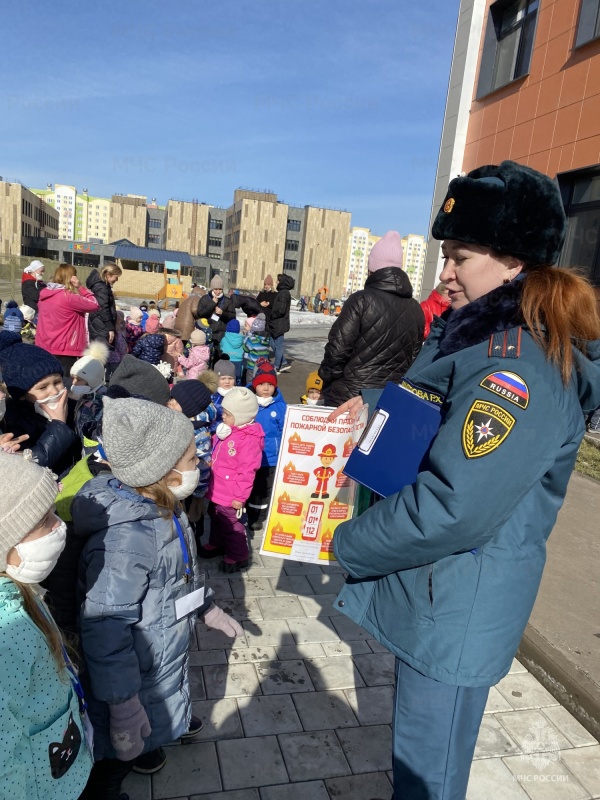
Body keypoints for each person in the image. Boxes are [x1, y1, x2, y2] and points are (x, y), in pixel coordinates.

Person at [330, 161, 600, 800]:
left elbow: (453, 505)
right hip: (442, 589)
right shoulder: (482, 334)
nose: (443, 273)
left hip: (457, 600)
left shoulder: (519, 368)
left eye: (459, 257)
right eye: (444, 255)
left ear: (514, 262)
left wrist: (347, 543)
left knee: (429, 774)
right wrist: (373, 399)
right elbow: (439, 410)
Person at [73, 397, 242, 798]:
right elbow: (105, 629)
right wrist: (122, 704)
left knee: (148, 728)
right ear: (160, 472)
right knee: (114, 759)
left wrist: (205, 605)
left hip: (161, 658)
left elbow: (180, 571)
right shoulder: (126, 539)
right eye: (191, 459)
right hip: (133, 678)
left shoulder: (166, 508)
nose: (200, 464)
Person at [0, 452, 93, 798]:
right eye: (44, 520)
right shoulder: (4, 636)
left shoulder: (20, 588)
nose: (59, 524)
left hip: (58, 764)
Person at [318, 231, 424, 407]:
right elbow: (413, 359)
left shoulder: (361, 300)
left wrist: (328, 381)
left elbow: (337, 349)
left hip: (349, 396)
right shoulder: (415, 308)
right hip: (388, 398)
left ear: (371, 268)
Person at [200, 387, 264, 572]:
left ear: (242, 416)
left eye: (227, 414)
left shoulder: (249, 440)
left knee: (232, 525)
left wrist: (239, 497)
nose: (224, 418)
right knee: (215, 517)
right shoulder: (229, 430)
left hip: (230, 493)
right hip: (217, 487)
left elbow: (247, 472)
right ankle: (217, 543)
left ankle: (238, 555)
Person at [0, 332, 79, 475]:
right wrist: (58, 425)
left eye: (57, 382)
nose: (54, 391)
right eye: (43, 387)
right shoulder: (16, 423)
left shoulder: (74, 408)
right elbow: (32, 467)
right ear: (23, 395)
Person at [168, 380, 217, 543]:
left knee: (192, 517)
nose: (170, 403)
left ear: (190, 407)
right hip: (177, 482)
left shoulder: (198, 432)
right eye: (171, 398)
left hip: (191, 487)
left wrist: (199, 492)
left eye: (176, 401)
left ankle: (195, 542)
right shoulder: (180, 422)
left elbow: (203, 464)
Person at [35, 264, 100, 375]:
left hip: (44, 346)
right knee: (64, 383)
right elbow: (94, 304)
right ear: (71, 278)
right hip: (65, 349)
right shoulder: (68, 297)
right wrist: (80, 287)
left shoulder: (44, 295)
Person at [247, 360, 286, 533]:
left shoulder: (279, 406)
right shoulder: (248, 402)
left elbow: (285, 428)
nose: (265, 388)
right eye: (261, 384)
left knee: (264, 489)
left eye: (270, 384)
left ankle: (259, 517)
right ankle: (247, 513)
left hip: (270, 457)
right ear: (255, 385)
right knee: (249, 486)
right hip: (249, 455)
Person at [69, 340, 109, 448]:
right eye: (73, 378)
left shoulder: (98, 405)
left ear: (93, 381)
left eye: (79, 380)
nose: (74, 383)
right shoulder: (84, 397)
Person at [194, 275, 236, 354]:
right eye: (216, 289)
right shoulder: (205, 299)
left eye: (220, 289)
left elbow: (233, 316)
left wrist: (222, 313)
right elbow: (200, 314)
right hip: (206, 332)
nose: (218, 291)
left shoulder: (227, 301)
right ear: (212, 288)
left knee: (218, 356)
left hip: (221, 334)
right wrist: (212, 304)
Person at [86, 262, 122, 347]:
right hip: (101, 327)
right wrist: (110, 328)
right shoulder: (102, 288)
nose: (117, 280)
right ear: (108, 274)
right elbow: (103, 308)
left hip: (99, 325)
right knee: (101, 355)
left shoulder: (103, 286)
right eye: (116, 277)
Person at [269, 273, 295, 373]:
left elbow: (281, 310)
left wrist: (272, 314)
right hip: (276, 323)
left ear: (282, 282)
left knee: (278, 345)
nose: (276, 282)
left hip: (280, 323)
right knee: (271, 342)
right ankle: (283, 362)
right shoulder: (282, 292)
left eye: (278, 280)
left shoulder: (284, 293)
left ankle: (276, 366)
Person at [243, 313, 270, 383]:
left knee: (250, 381)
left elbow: (245, 348)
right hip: (263, 366)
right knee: (260, 381)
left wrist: (246, 337)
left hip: (252, 366)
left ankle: (250, 391)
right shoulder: (267, 340)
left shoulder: (252, 340)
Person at [105, 310, 128, 379]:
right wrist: (124, 352)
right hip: (116, 358)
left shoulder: (105, 331)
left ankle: (106, 383)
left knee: (106, 372)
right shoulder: (118, 332)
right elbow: (121, 346)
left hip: (105, 357)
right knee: (115, 374)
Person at [220, 319, 244, 384]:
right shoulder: (242, 339)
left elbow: (221, 346)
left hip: (227, 360)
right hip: (238, 360)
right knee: (237, 376)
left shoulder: (224, 339)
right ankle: (238, 386)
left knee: (227, 376)